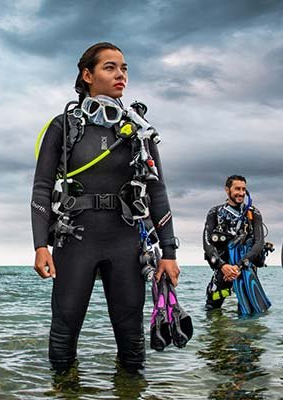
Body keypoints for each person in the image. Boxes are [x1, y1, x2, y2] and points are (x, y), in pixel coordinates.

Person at [31, 42, 180, 373]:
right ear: (87, 75)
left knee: (132, 342)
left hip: (126, 241)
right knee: (63, 336)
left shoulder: (139, 131)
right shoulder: (64, 127)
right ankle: (64, 393)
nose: (120, 75)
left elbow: (157, 190)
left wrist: (168, 251)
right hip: (75, 239)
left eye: (124, 68)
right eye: (110, 67)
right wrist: (41, 246)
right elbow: (41, 187)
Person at [203, 175, 271, 313]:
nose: (241, 193)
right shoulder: (214, 212)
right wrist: (223, 266)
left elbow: (259, 243)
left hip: (245, 270)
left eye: (244, 189)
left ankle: (247, 333)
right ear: (227, 190)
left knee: (250, 313)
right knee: (212, 307)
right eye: (237, 189)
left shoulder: (253, 213)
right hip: (223, 271)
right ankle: (217, 332)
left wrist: (238, 266)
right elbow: (207, 243)